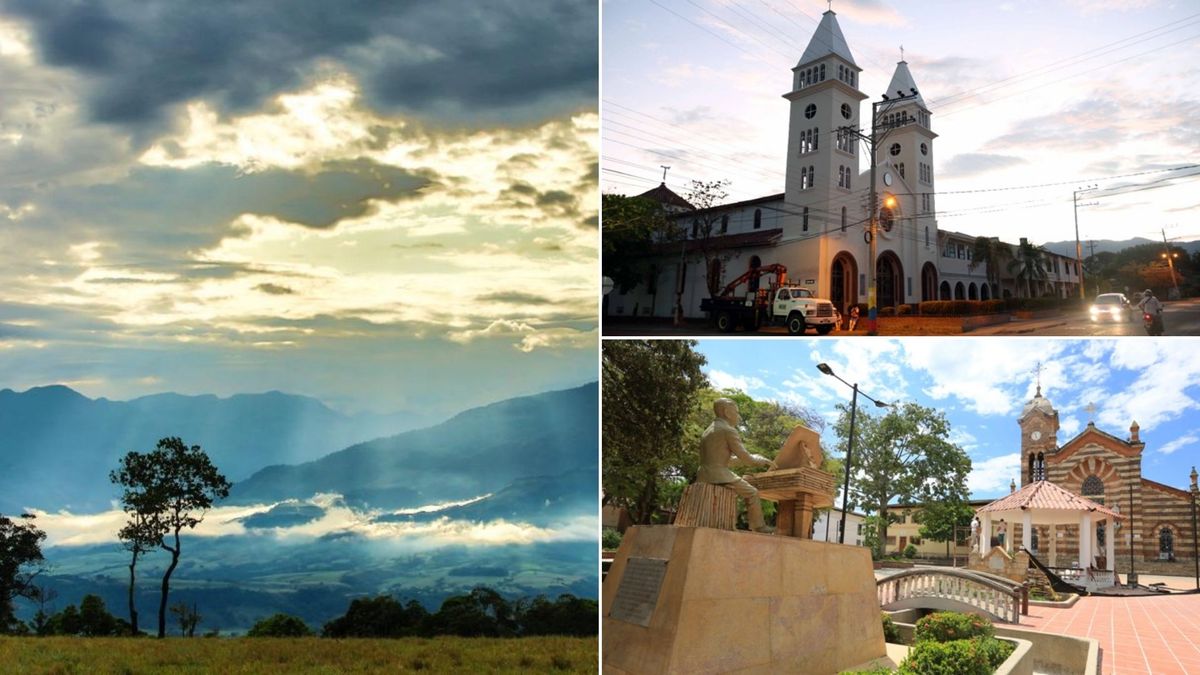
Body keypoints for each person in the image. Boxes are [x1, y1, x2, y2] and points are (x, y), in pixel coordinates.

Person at [697, 398, 777, 533]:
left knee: (735, 491)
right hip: (718, 474)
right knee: (752, 493)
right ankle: (758, 526)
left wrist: (751, 457)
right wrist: (760, 460)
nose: (738, 416)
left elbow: (722, 459)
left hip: (703, 474)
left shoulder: (708, 430)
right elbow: (747, 459)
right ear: (727, 412)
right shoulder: (728, 431)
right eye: (736, 412)